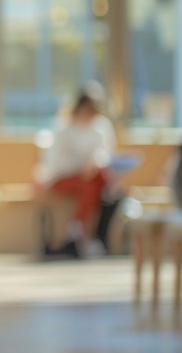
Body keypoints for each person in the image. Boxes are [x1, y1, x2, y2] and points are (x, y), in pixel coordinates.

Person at [39, 83, 127, 258]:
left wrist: (94, 163)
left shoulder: (101, 126)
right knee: (92, 185)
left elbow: (106, 153)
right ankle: (79, 236)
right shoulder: (62, 127)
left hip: (93, 177)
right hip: (62, 177)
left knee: (108, 186)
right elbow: (54, 162)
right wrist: (81, 168)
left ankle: (92, 236)